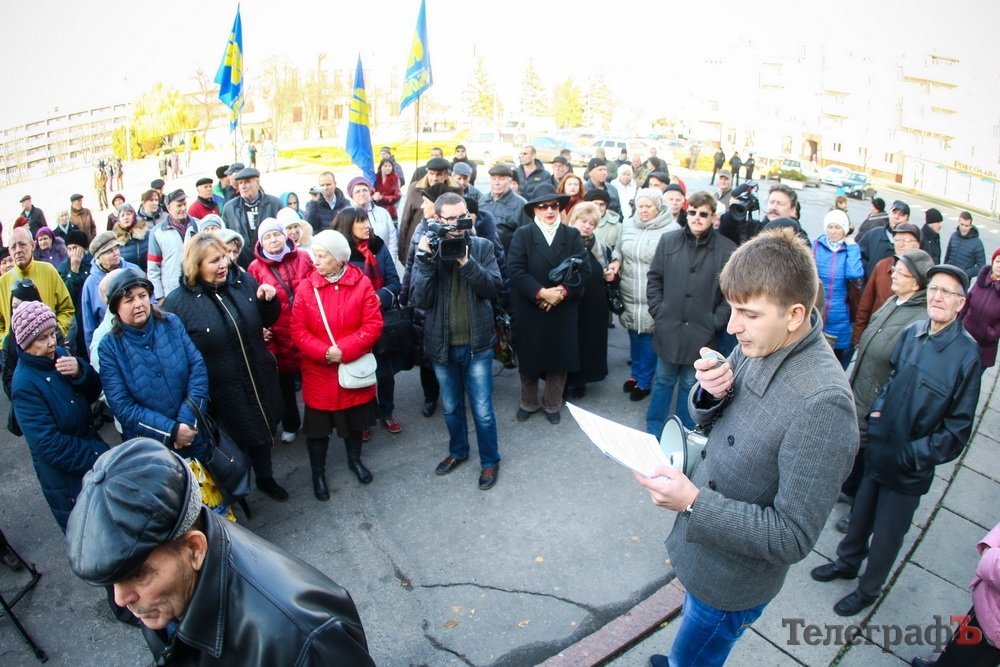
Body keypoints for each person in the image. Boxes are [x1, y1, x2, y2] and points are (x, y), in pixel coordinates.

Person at [635, 228, 858, 666]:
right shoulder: (760, 341)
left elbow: (792, 536)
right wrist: (708, 394)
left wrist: (694, 503)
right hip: (705, 553)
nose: (733, 325)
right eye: (734, 309)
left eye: (747, 313)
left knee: (695, 655)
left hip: (731, 581)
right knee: (690, 629)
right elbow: (715, 420)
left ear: (795, 314)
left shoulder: (824, 405)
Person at [65, 438, 375, 665]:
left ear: (194, 549)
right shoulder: (170, 587)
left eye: (137, 574)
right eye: (113, 579)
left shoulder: (302, 640)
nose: (120, 599)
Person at [815, 264, 981, 617]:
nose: (937, 296)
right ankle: (846, 562)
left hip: (909, 468)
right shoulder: (914, 331)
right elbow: (891, 381)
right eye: (934, 288)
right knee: (860, 516)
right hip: (880, 449)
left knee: (888, 535)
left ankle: (868, 590)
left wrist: (914, 454)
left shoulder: (966, 355)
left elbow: (957, 430)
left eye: (947, 292)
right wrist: (876, 417)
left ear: (961, 304)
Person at [162, 233, 289, 502]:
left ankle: (265, 478)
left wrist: (268, 301)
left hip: (258, 376)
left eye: (225, 257)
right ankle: (238, 490)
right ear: (196, 266)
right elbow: (177, 353)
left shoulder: (242, 281)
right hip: (222, 390)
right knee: (234, 443)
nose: (224, 264)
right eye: (214, 260)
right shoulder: (179, 303)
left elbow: (264, 320)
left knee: (263, 432)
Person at [410, 193, 502, 489]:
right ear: (436, 219)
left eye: (460, 217)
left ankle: (489, 462)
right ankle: (458, 452)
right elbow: (419, 299)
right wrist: (425, 261)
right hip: (442, 345)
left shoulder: (483, 247)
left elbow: (493, 288)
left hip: (477, 344)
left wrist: (465, 260)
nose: (455, 224)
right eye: (448, 219)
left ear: (468, 216)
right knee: (451, 408)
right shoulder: (427, 251)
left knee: (483, 411)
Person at [836, 250, 934, 531]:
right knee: (858, 450)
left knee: (869, 455)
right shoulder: (895, 301)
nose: (893, 275)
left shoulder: (919, 319)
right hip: (862, 387)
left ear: (915, 282)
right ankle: (849, 489)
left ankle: (858, 514)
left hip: (878, 398)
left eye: (900, 272)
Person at [291, 230, 382, 497]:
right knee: (318, 433)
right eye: (315, 255)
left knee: (355, 424)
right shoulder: (307, 287)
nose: (315, 261)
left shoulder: (361, 284)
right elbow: (298, 330)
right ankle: (317, 474)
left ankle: (355, 460)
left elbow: (373, 325)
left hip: (350, 369)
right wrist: (325, 352)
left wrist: (345, 351)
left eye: (321, 256)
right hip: (320, 373)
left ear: (339, 259)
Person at [10, 301, 108, 531]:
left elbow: (94, 393)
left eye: (52, 333)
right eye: (42, 338)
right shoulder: (24, 385)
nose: (52, 342)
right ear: (25, 344)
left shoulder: (59, 355)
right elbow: (50, 446)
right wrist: (99, 454)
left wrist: (81, 371)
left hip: (91, 461)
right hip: (69, 483)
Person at [645, 192, 736, 435]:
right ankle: (654, 429)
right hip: (669, 328)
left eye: (703, 213)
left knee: (690, 384)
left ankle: (682, 432)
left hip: (702, 332)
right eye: (692, 212)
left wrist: (715, 322)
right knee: (663, 380)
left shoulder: (727, 249)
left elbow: (730, 295)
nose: (697, 218)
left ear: (713, 217)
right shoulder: (669, 240)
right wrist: (658, 311)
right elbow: (654, 279)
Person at [508, 184, 588, 424]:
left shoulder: (571, 235)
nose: (549, 210)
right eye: (543, 206)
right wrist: (541, 293)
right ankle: (528, 402)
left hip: (562, 308)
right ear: (535, 210)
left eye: (554, 205)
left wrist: (561, 292)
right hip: (531, 307)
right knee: (530, 359)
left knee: (558, 359)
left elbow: (584, 268)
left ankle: (552, 405)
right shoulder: (523, 234)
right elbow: (515, 270)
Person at [334, 207, 403, 437]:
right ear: (347, 226)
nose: (367, 226)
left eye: (367, 221)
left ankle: (387, 412)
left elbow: (395, 283)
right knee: (360, 373)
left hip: (381, 319)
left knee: (384, 372)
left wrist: (377, 298)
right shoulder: (339, 255)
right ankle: (364, 420)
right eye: (361, 222)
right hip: (353, 325)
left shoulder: (378, 246)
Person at [607, 189, 680, 401]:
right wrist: (616, 262)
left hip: (654, 292)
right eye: (640, 206)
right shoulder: (628, 224)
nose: (644, 210)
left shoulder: (672, 229)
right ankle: (635, 375)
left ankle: (645, 381)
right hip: (629, 290)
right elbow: (619, 249)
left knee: (649, 335)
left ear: (658, 207)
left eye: (648, 206)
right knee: (633, 332)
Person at [248, 217, 315, 443]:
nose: (273, 239)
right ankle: (290, 424)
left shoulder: (304, 258)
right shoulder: (255, 268)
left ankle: (316, 421)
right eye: (267, 237)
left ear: (284, 235)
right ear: (261, 242)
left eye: (276, 234)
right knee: (284, 385)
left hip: (306, 328)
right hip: (278, 334)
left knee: (312, 379)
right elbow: (253, 304)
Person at [911, 520, 1000, 667]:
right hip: (990, 604)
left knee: (972, 656)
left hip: (994, 623)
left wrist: (989, 553)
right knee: (960, 646)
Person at [564, 202, 612, 399]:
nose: (587, 226)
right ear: (573, 220)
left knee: (588, 342)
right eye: (583, 221)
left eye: (591, 223)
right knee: (568, 343)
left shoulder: (599, 246)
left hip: (594, 303)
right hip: (569, 301)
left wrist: (611, 274)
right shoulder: (564, 242)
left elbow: (607, 267)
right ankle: (564, 382)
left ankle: (581, 381)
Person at [850, 223, 923, 348]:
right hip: (873, 337)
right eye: (897, 240)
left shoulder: (922, 274)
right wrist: (858, 337)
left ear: (917, 245)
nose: (900, 244)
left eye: (906, 240)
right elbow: (865, 304)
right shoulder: (882, 266)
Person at [0, 227, 75, 342]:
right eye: (13, 247)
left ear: (33, 246)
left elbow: (66, 309)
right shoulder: (2, 283)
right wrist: (5, 344)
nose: (18, 250)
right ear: (10, 251)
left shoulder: (48, 271)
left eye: (22, 244)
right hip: (15, 355)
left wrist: (57, 332)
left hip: (49, 347)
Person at [813, 209, 864, 368]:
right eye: (830, 227)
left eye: (837, 227)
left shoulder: (848, 249)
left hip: (840, 312)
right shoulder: (817, 246)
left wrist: (853, 247)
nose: (833, 231)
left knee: (834, 360)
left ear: (845, 229)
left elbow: (854, 273)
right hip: (818, 307)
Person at [81, 231, 141, 351]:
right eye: (109, 251)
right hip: (112, 347)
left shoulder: (134, 271)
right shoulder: (90, 284)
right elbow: (89, 326)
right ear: (99, 257)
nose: (116, 253)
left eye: (116, 248)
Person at [222, 167, 284, 268]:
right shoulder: (230, 208)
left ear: (257, 183)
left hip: (272, 263)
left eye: (247, 182)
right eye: (240, 183)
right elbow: (225, 238)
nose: (243, 186)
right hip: (241, 264)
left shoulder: (274, 204)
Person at [147, 189, 198, 302]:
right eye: (179, 205)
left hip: (198, 286)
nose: (183, 208)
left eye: (185, 204)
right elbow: (153, 269)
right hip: (173, 292)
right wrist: (159, 296)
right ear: (169, 208)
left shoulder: (197, 225)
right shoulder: (157, 232)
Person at [347, 176, 400, 271]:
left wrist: (390, 262)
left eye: (365, 190)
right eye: (357, 191)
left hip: (384, 264)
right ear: (352, 195)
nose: (362, 194)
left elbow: (392, 239)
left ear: (370, 192)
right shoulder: (347, 216)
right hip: (358, 268)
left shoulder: (383, 213)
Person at [960, 247, 1000, 371]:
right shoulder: (981, 281)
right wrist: (959, 323)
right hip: (963, 338)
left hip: (984, 348)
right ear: (993, 261)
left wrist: (991, 333)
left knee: (969, 384)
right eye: (998, 261)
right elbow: (967, 302)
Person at [56, 229, 93, 355]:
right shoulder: (63, 268)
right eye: (69, 248)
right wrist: (74, 270)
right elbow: (66, 296)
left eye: (75, 248)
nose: (72, 252)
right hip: (77, 319)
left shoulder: (93, 263)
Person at [480, 164, 528, 253]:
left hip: (507, 257)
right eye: (493, 179)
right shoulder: (482, 200)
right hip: (484, 256)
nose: (497, 183)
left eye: (501, 179)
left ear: (510, 181)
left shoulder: (520, 204)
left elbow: (525, 238)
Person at [858, 200, 910, 279]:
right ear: (889, 213)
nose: (896, 217)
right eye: (894, 213)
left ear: (907, 219)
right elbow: (859, 257)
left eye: (901, 215)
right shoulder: (873, 234)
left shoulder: (910, 241)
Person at [945, 211, 986, 280]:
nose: (964, 228)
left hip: (962, 280)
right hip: (949, 275)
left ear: (971, 226)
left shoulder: (977, 243)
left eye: (966, 226)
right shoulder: (953, 236)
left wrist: (965, 273)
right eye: (962, 224)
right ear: (958, 223)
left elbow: (981, 266)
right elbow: (947, 257)